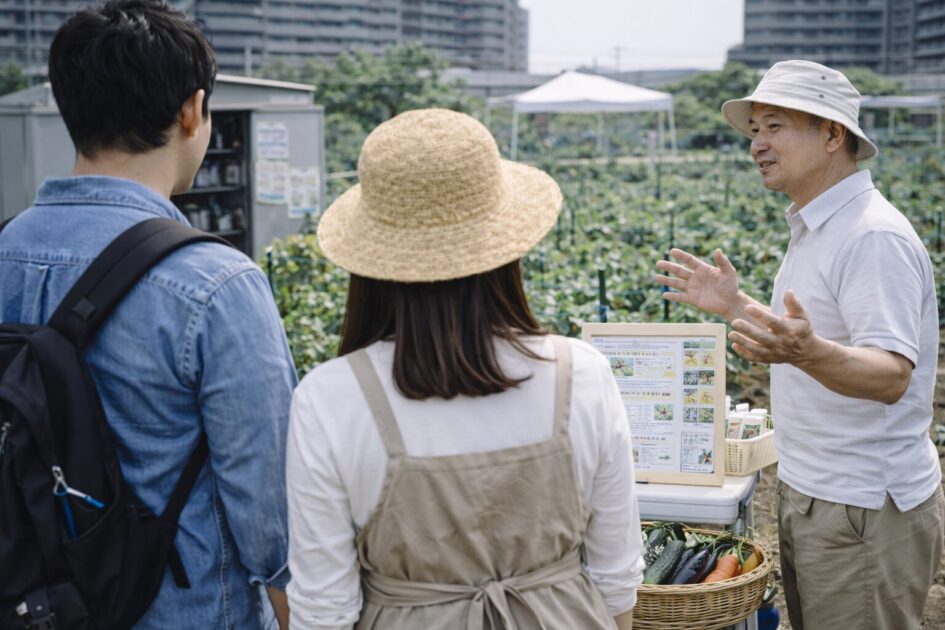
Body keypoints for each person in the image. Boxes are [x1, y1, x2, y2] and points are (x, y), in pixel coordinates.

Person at [285, 108, 644, 629]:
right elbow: (616, 580)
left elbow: (325, 611)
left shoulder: (330, 397)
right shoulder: (580, 374)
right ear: (506, 250)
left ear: (372, 262)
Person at [0, 1, 295, 627]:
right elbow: (272, 517)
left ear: (67, 106)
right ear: (193, 110)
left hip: (31, 603)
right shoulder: (215, 284)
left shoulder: (5, 250)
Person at [655, 60, 944, 630]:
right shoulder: (820, 227)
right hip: (818, 491)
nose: (757, 144)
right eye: (754, 129)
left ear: (833, 135)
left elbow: (891, 376)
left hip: (859, 505)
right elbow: (809, 336)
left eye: (774, 126)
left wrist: (805, 353)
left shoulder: (872, 237)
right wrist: (737, 308)